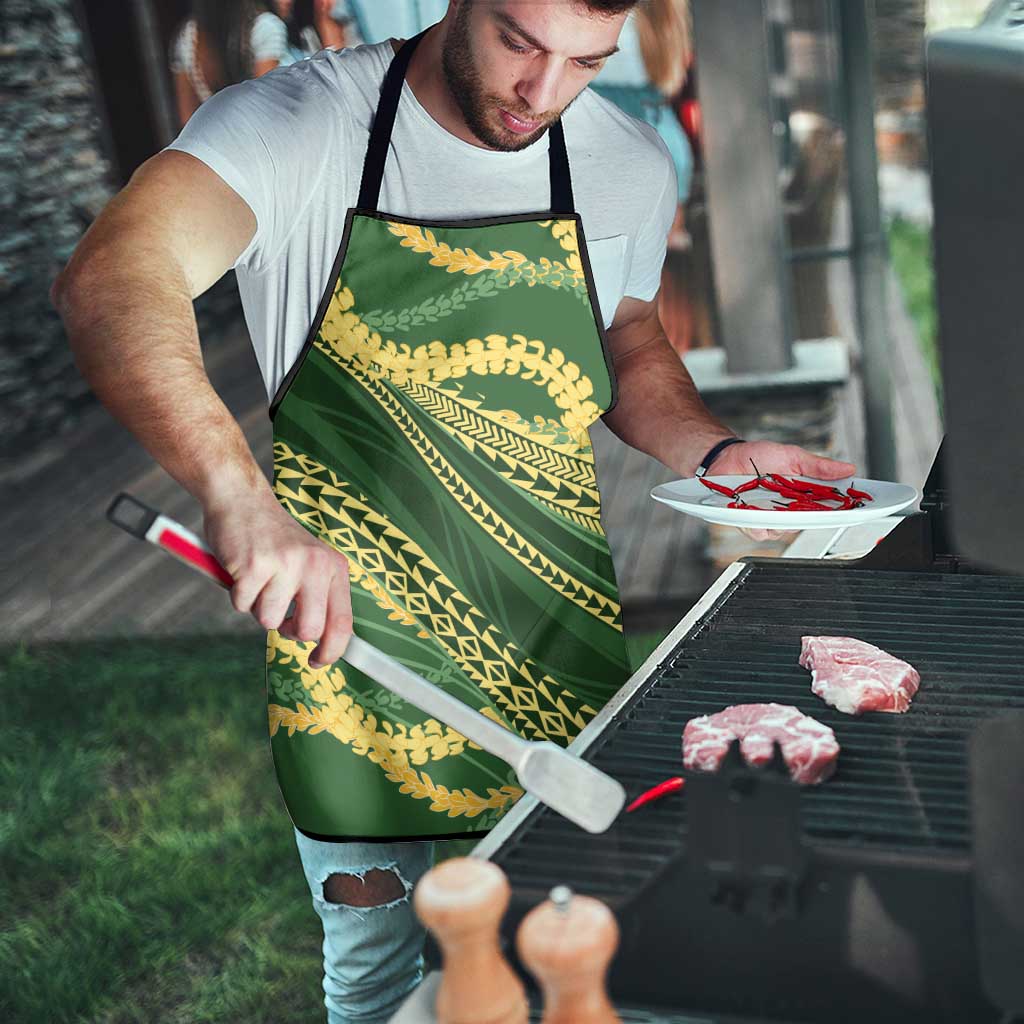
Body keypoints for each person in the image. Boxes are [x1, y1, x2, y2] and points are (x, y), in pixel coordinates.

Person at [53, 2, 856, 1020]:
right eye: (521, 42)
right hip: (352, 660)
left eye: (585, 62)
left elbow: (629, 337)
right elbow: (113, 275)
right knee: (380, 980)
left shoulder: (624, 160)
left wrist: (718, 449)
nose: (543, 94)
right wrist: (237, 495)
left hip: (554, 640)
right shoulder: (299, 125)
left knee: (574, 959)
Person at [170, 0, 289, 126]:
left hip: (215, 139)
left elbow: (188, 121)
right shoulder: (266, 27)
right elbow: (266, 107)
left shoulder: (188, 37)